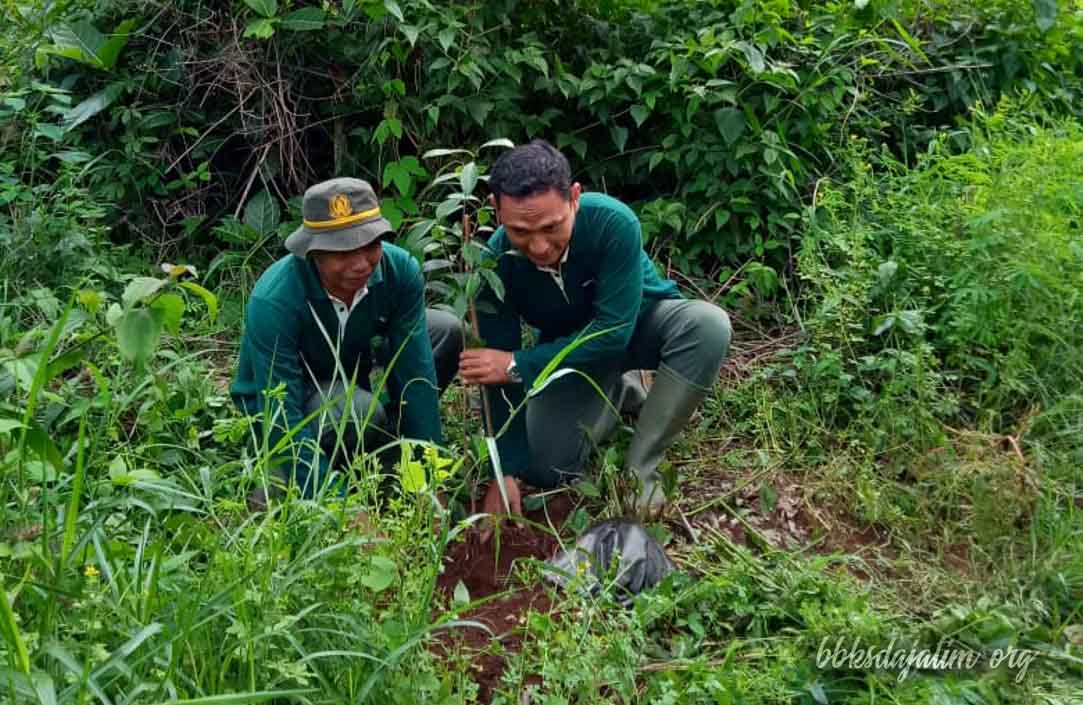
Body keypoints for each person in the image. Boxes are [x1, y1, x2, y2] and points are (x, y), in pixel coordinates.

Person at [459, 140, 731, 517]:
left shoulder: (613, 222)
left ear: (574, 197)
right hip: (572, 356)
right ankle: (623, 391)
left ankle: (641, 471)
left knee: (708, 325)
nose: (538, 246)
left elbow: (613, 331)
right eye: (520, 231)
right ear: (496, 210)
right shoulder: (494, 264)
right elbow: (495, 369)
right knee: (543, 466)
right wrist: (503, 471)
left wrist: (517, 363)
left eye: (551, 227)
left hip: (639, 328)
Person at [231, 177, 462, 507]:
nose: (360, 264)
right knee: (357, 412)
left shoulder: (399, 271)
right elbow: (281, 414)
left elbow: (417, 375)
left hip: (351, 378)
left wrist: (427, 473)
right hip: (284, 401)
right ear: (313, 253)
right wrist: (340, 507)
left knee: (444, 330)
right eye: (342, 252)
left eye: (370, 247)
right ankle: (323, 469)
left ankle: (385, 445)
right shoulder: (275, 300)